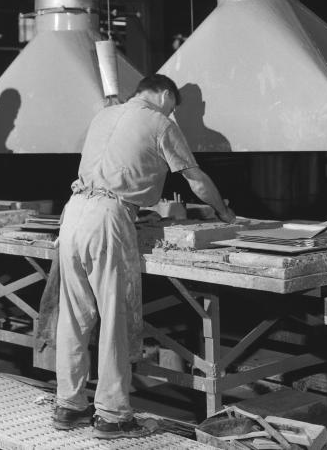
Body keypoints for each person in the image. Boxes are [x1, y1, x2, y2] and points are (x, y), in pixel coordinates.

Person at [53, 73, 236, 439]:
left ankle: (69, 406)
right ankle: (112, 415)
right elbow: (194, 177)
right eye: (175, 107)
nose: (174, 114)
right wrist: (224, 213)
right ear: (166, 96)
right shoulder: (159, 121)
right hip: (108, 218)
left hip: (72, 214)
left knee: (73, 317)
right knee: (115, 317)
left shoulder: (104, 115)